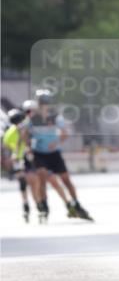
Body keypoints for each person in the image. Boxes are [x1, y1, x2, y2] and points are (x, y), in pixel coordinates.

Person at [22, 89, 92, 221]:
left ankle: (76, 203)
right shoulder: (32, 118)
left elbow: (65, 133)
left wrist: (57, 142)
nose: (44, 105)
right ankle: (44, 205)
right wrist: (29, 147)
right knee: (42, 178)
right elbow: (25, 134)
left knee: (66, 180)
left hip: (54, 153)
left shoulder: (55, 117)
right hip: (39, 153)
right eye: (42, 102)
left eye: (46, 102)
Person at [2, 109, 36, 223]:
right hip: (18, 159)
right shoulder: (10, 133)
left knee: (30, 181)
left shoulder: (25, 129)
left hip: (25, 157)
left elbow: (30, 142)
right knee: (23, 182)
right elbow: (8, 147)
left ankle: (36, 202)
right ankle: (26, 204)